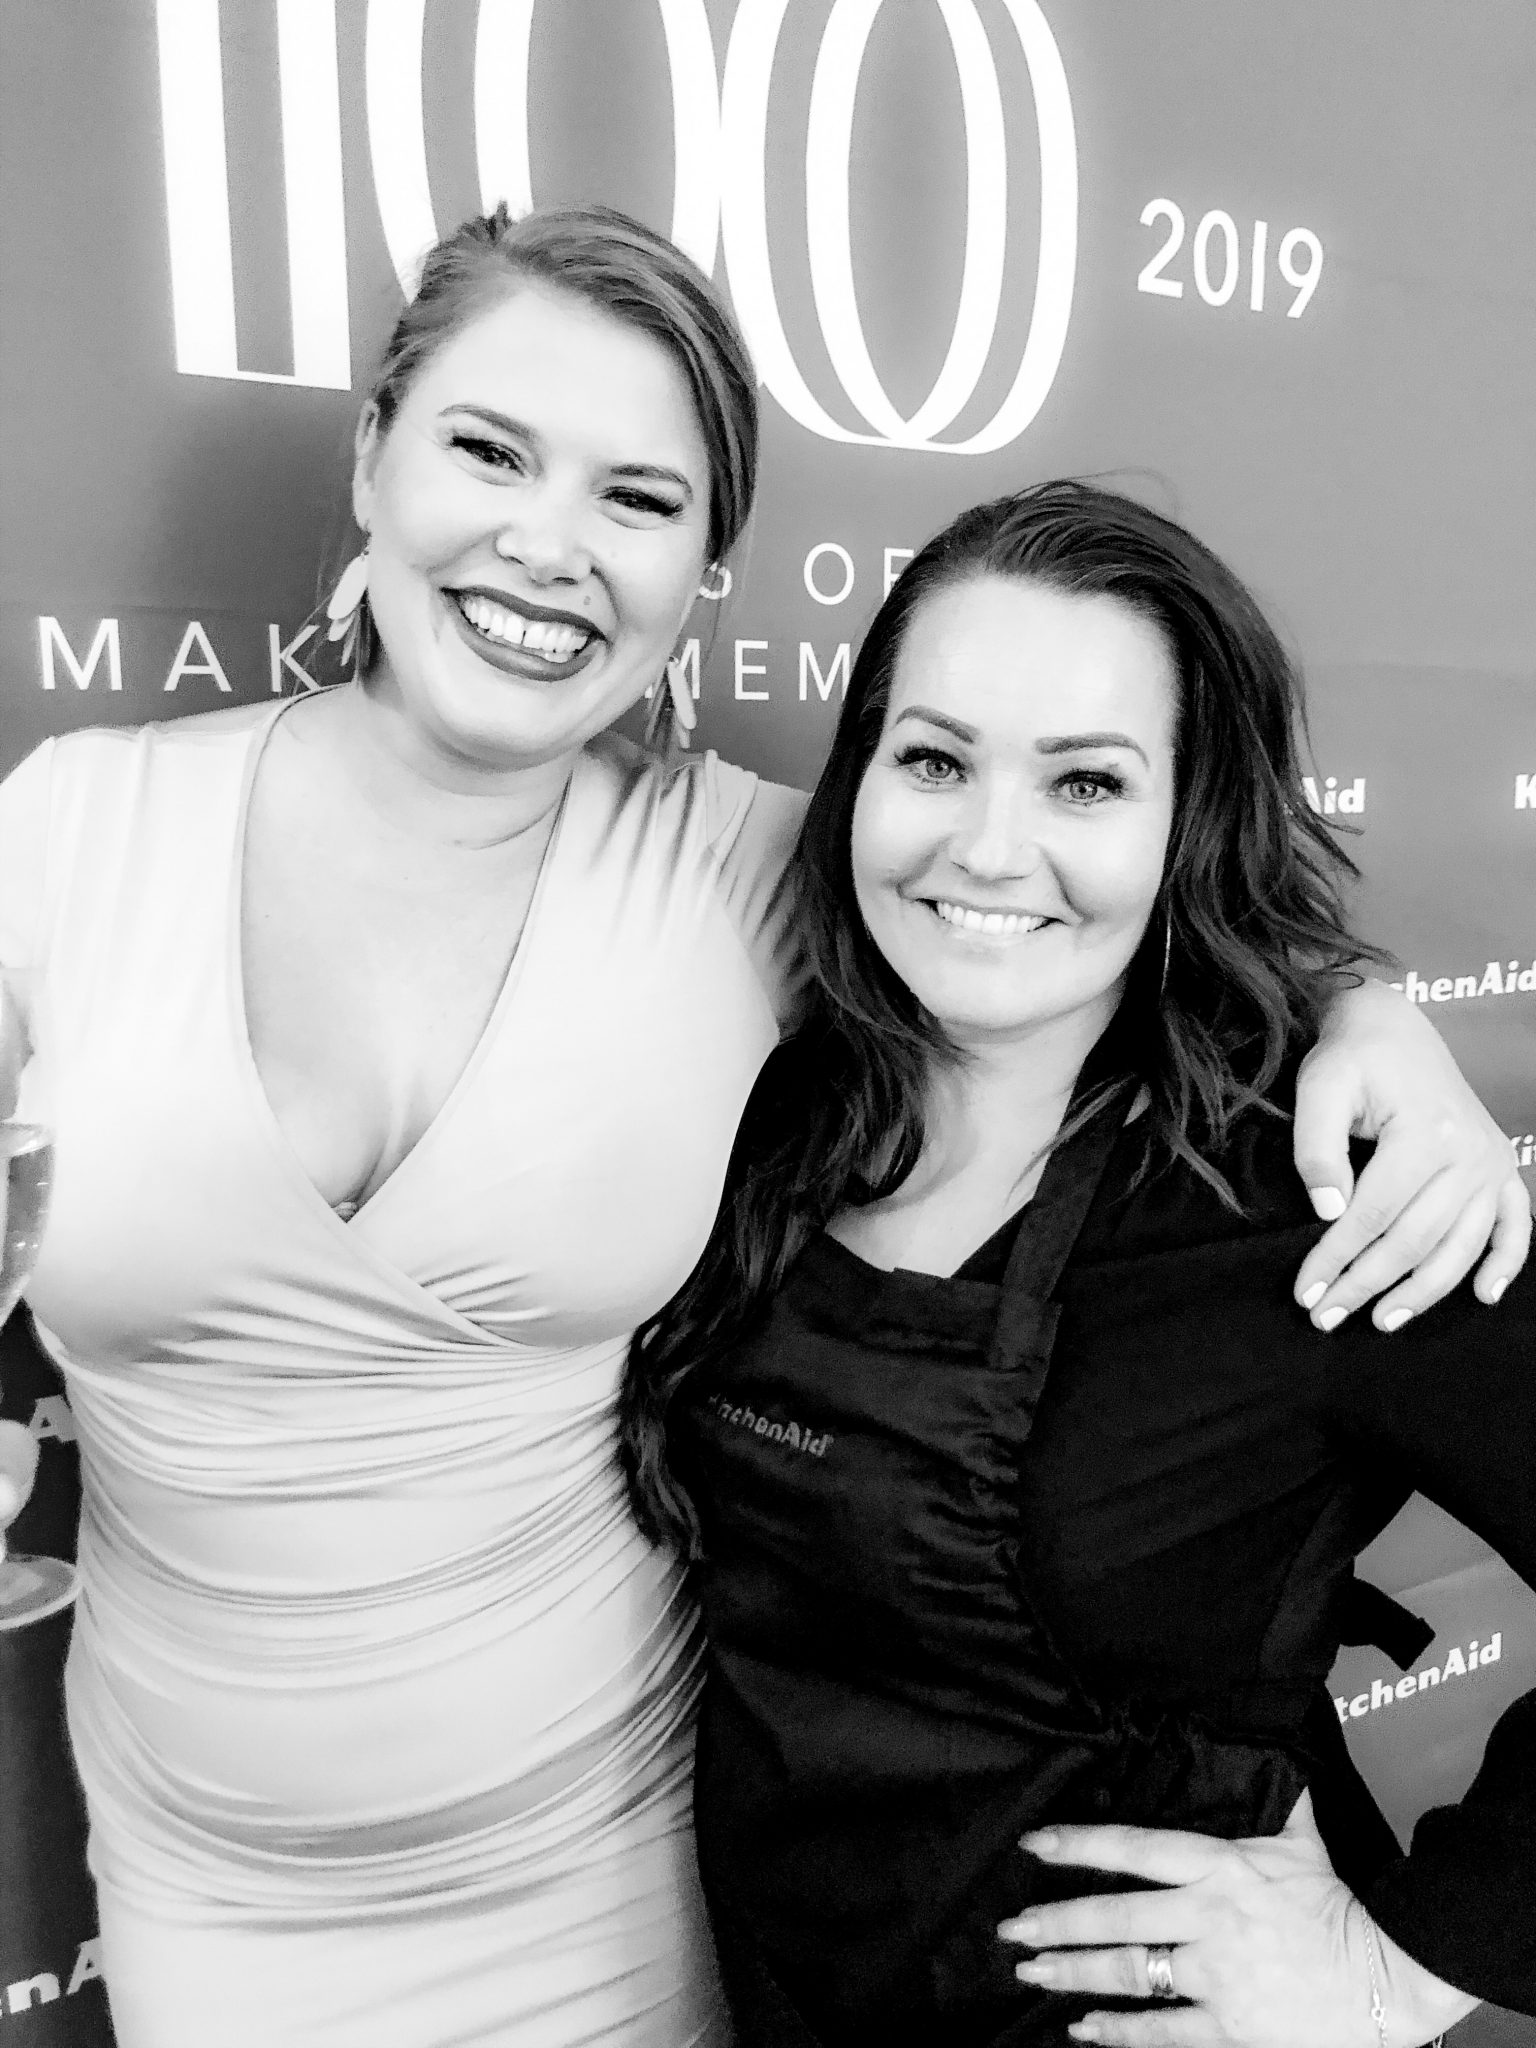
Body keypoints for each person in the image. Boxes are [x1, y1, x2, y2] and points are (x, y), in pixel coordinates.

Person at [0, 209, 1523, 2048]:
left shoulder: (756, 886)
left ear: (703, 574)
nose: (548, 542)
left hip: (616, 1879)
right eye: (489, 449)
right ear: (371, 457)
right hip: (224, 1882)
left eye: (639, 497)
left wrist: (1409, 1966)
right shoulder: (74, 836)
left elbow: (1069, 912)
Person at [621, 482, 1536, 2048]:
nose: (990, 848)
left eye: (1087, 782)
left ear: (1189, 823)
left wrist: (1407, 1969)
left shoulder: (1321, 1196)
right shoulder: (769, 1113)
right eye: (935, 760)